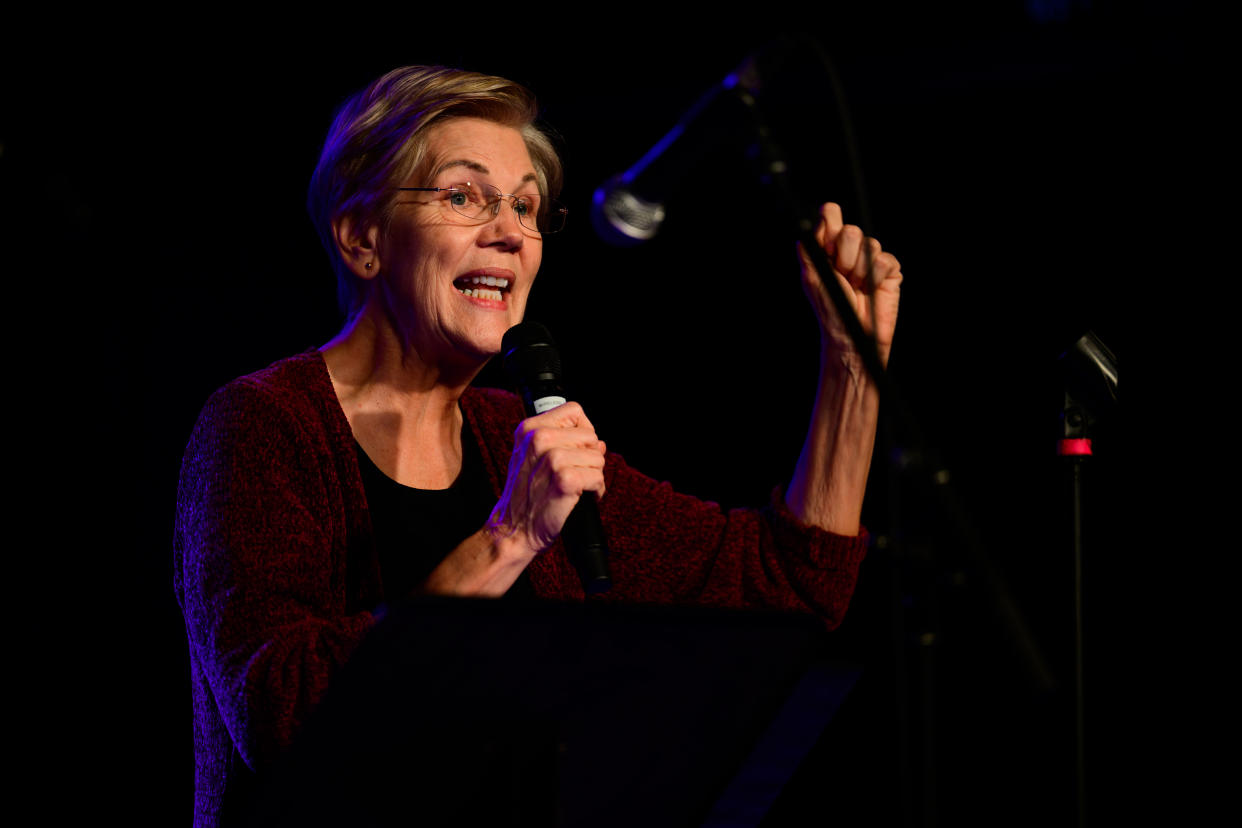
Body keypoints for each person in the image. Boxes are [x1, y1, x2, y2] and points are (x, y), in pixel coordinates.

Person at [174, 64, 902, 828]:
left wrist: (853, 367)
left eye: (525, 206)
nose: (511, 234)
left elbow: (788, 585)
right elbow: (281, 720)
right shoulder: (261, 426)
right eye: (463, 196)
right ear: (361, 237)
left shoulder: (506, 435)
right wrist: (508, 539)